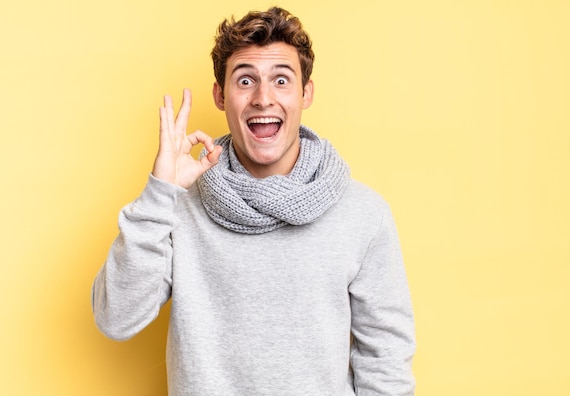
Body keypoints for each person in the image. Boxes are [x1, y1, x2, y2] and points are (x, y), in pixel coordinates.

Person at [92, 6, 415, 395]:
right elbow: (115, 318)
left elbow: (386, 359)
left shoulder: (363, 213)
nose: (263, 98)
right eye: (245, 81)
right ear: (220, 95)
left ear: (305, 92)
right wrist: (160, 193)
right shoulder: (175, 206)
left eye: (281, 80)